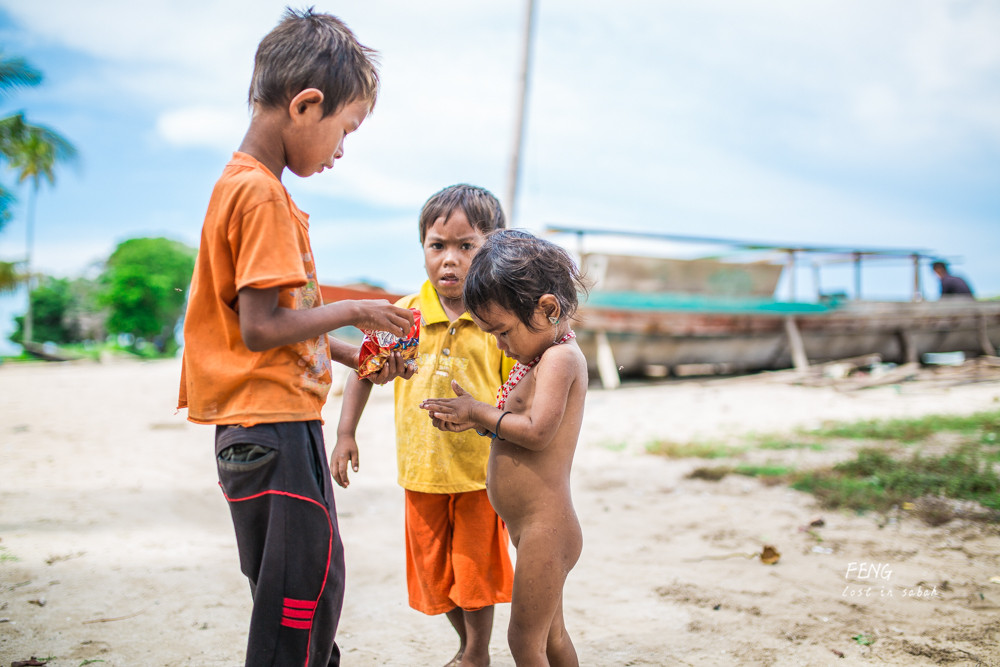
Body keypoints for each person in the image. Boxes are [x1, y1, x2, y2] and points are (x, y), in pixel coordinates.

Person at [177, 9, 415, 666]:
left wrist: (348, 354)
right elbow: (260, 329)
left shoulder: (246, 186)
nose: (342, 150)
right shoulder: (259, 196)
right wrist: (353, 310)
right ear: (307, 105)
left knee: (295, 587)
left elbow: (273, 328)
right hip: (277, 430)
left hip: (256, 433)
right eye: (346, 130)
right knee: (302, 595)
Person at [331, 184, 514, 667]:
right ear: (423, 250)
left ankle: (476, 653)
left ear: (491, 248)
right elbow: (365, 373)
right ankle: (467, 645)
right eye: (438, 246)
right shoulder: (403, 315)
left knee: (475, 575)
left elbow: (515, 394)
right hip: (421, 472)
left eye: (466, 246)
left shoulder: (496, 318)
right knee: (434, 576)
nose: (449, 260)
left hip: (480, 475)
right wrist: (345, 433)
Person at [420, 229, 589, 667]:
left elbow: (536, 433)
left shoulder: (561, 359)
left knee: (524, 641)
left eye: (503, 332)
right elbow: (518, 432)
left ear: (547, 308)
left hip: (546, 529)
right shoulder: (539, 358)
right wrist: (472, 422)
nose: (500, 346)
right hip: (530, 528)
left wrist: (478, 412)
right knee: (551, 638)